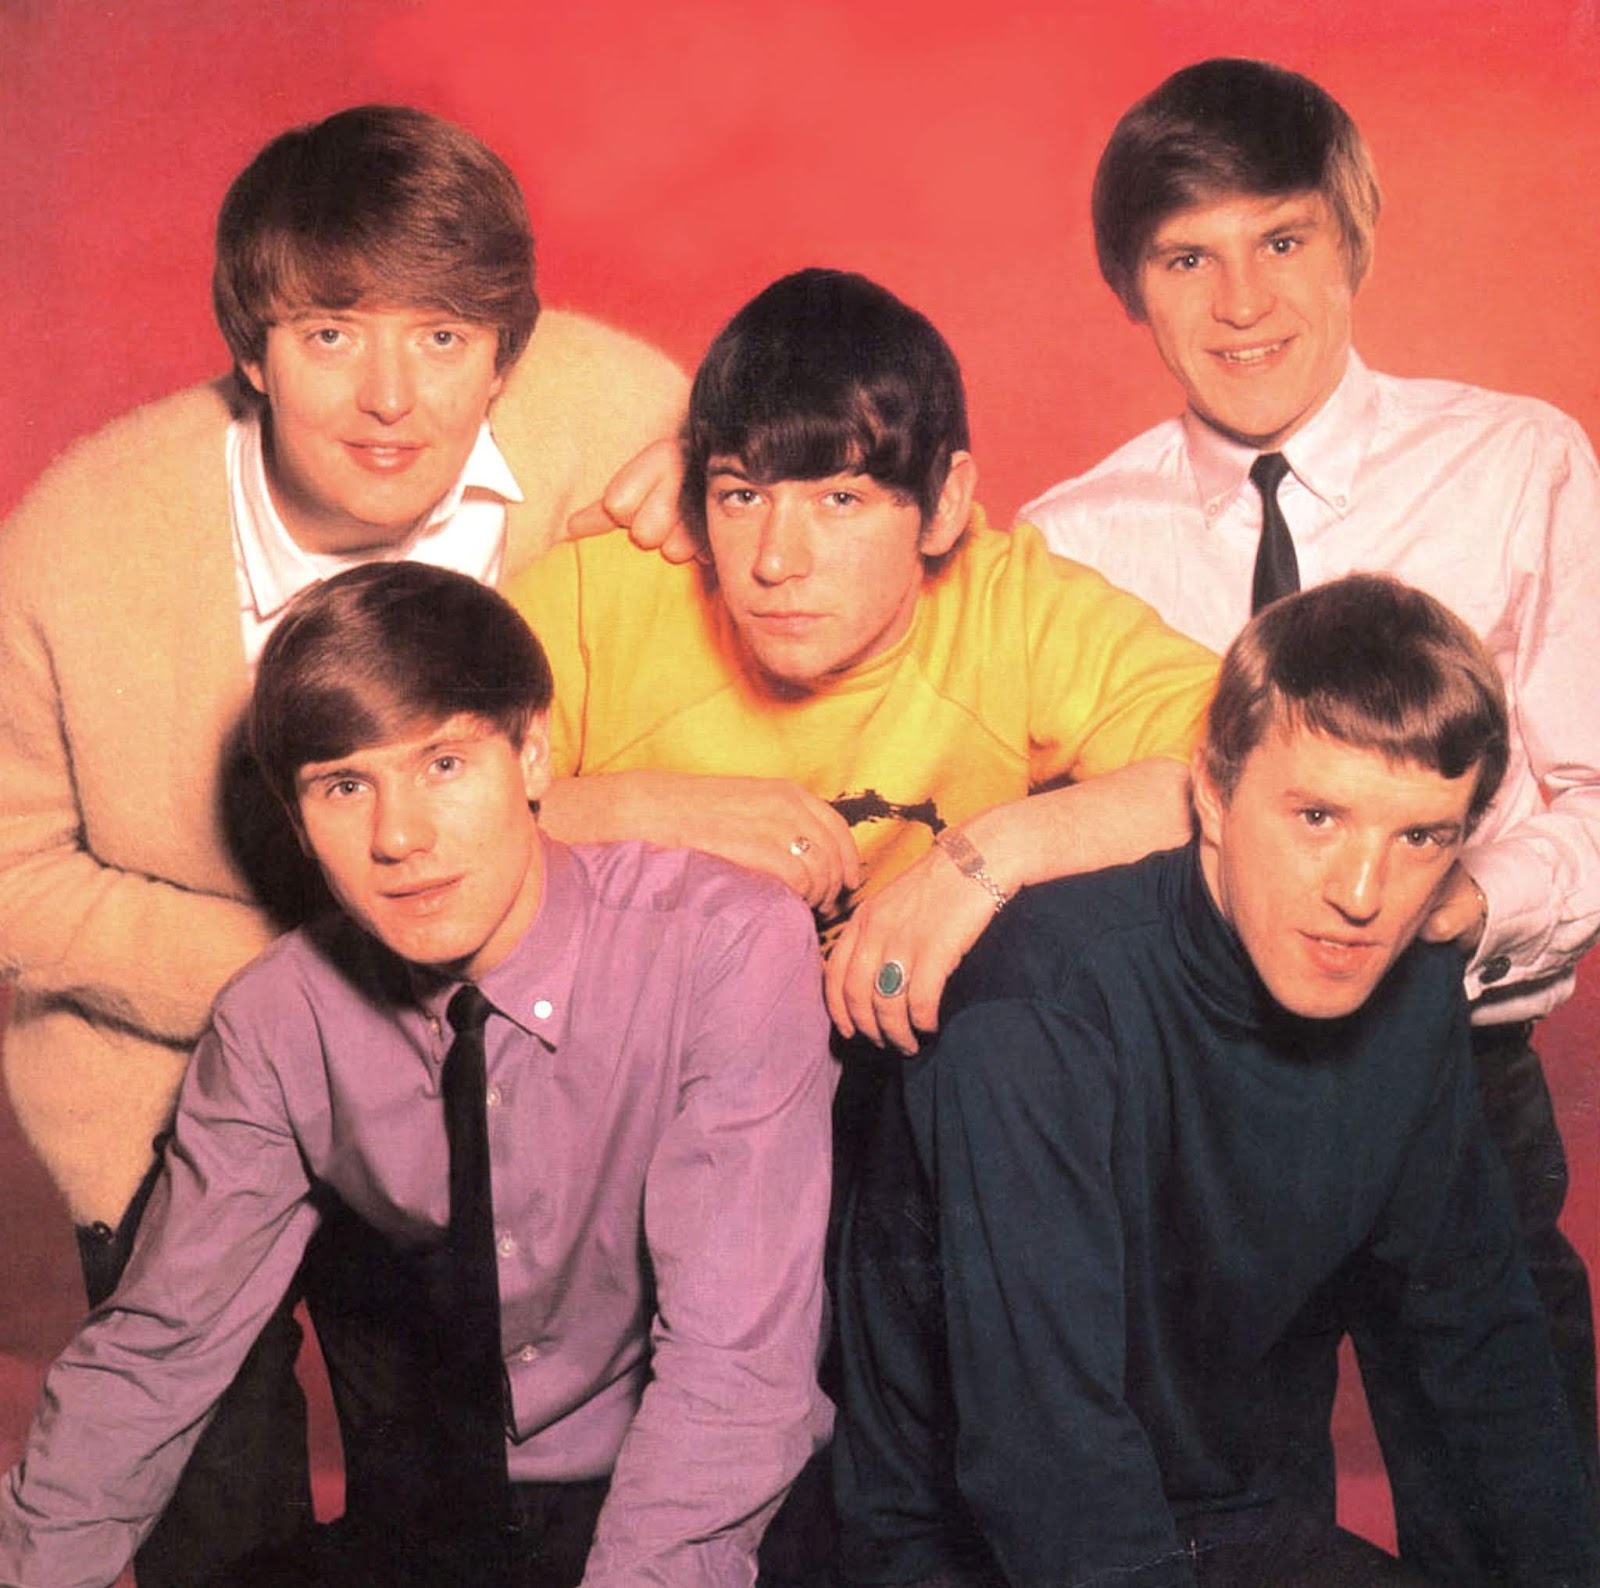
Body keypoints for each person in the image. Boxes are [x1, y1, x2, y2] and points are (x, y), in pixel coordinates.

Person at [0, 104, 685, 1585]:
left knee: (460, 1513)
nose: (390, 399)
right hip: (165, 1077)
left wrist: (717, 458)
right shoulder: (80, 533)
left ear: (506, 348)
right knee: (210, 1512)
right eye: (327, 336)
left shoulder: (623, 415)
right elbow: (11, 874)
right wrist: (320, 979)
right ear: (251, 349)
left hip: (492, 1078)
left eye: (441, 338)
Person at [1018, 58, 1600, 1579]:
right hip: (1191, 1114)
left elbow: (1596, 790)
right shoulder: (1066, 541)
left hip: (1452, 1070)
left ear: (1353, 242)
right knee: (1228, 1525)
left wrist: (1464, 907)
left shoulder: (1517, 462)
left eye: (1281, 240)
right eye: (1185, 258)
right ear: (1129, 288)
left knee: (1524, 1509)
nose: (1241, 302)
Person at [0, 563, 834, 1588]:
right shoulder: (280, 1019)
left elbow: (734, 1365)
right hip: (443, 1518)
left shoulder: (722, 946)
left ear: (533, 753)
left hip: (695, 1508)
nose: (399, 838)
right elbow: (159, 1351)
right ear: (296, 817)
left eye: (443, 763)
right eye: (345, 787)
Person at [835, 574, 1600, 1588]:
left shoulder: (1413, 993)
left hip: (1236, 1529)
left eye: (1420, 837)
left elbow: (1478, 1355)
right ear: (1210, 794)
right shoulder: (1039, 1011)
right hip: (963, 1552)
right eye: (1317, 816)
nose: (1362, 896)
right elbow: (1046, 1461)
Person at [511, 267, 1218, 1066]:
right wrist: (656, 815)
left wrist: (991, 856)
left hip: (910, 1064)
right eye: (742, 497)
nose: (776, 561)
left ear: (943, 505)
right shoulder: (600, 592)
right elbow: (415, 806)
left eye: (839, 501)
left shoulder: (1009, 605)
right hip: (639, 1063)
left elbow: (1262, 765)